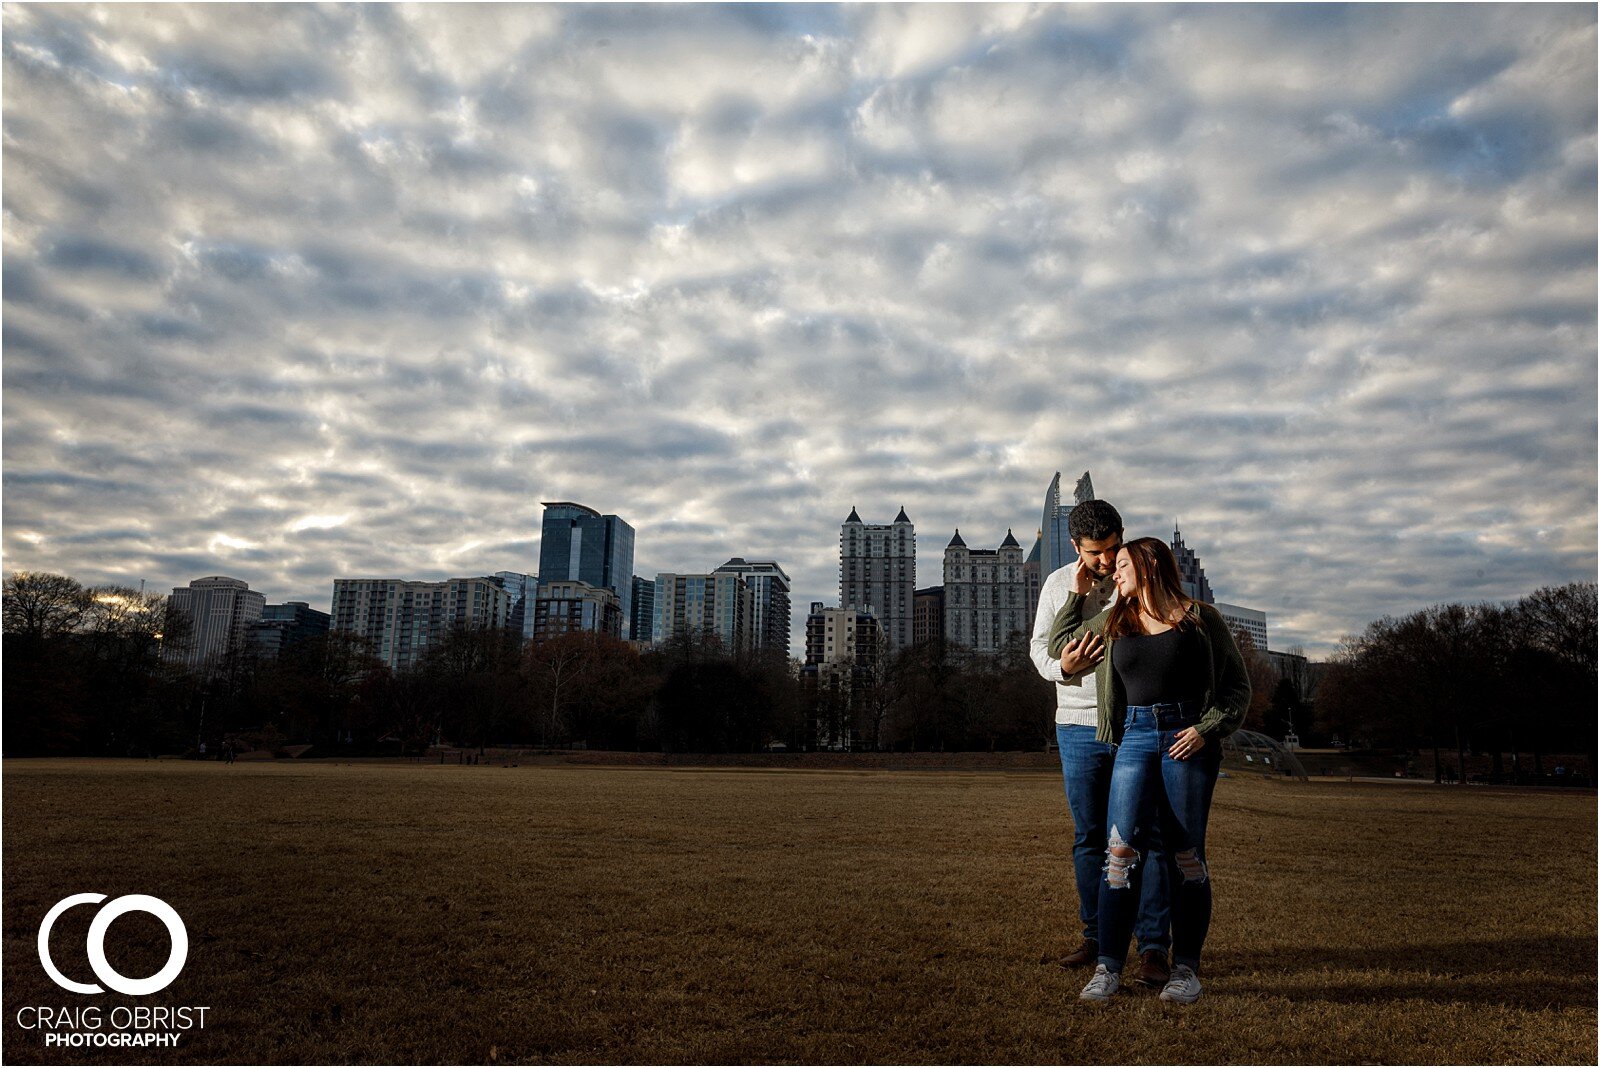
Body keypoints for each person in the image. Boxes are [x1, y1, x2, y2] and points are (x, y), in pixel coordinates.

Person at [1048, 536, 1250, 1004]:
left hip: (1188, 740)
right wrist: (1077, 594)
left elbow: (1237, 689)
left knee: (1186, 856)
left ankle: (1186, 970)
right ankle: (1108, 968)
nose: (1113, 575)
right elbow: (1062, 645)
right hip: (1134, 739)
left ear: (1150, 563)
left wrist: (1207, 729)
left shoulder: (1201, 619)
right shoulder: (1115, 620)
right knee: (1119, 853)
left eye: (1120, 565)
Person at [1030, 500, 1171, 989]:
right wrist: (1062, 669)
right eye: (1096, 553)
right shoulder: (1056, 585)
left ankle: (1154, 949)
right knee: (1090, 837)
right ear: (1075, 547)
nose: (1107, 561)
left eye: (1113, 548)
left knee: (1146, 838)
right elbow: (1039, 650)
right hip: (1076, 725)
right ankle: (1096, 937)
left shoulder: (1137, 578)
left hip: (1135, 722)